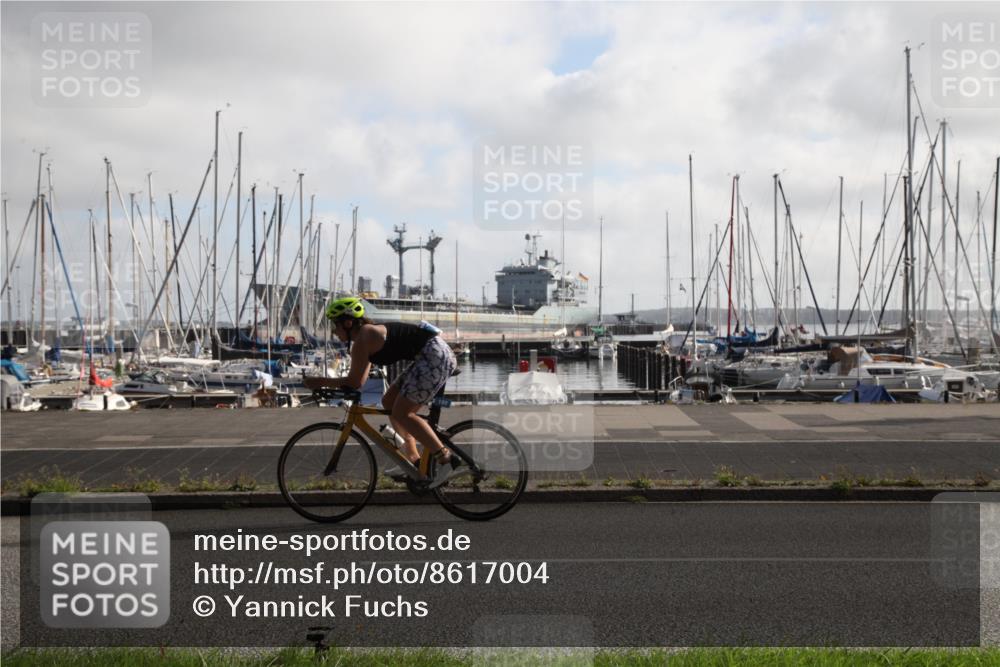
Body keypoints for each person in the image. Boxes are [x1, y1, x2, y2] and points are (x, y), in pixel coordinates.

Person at [304, 296, 459, 485]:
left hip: (435, 356)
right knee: (389, 402)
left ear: (347, 322)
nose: (334, 331)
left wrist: (320, 382)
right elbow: (359, 381)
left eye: (335, 326)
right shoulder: (363, 339)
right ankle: (414, 461)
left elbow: (353, 381)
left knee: (403, 413)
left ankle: (445, 458)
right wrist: (332, 385)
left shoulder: (364, 337)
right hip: (428, 355)